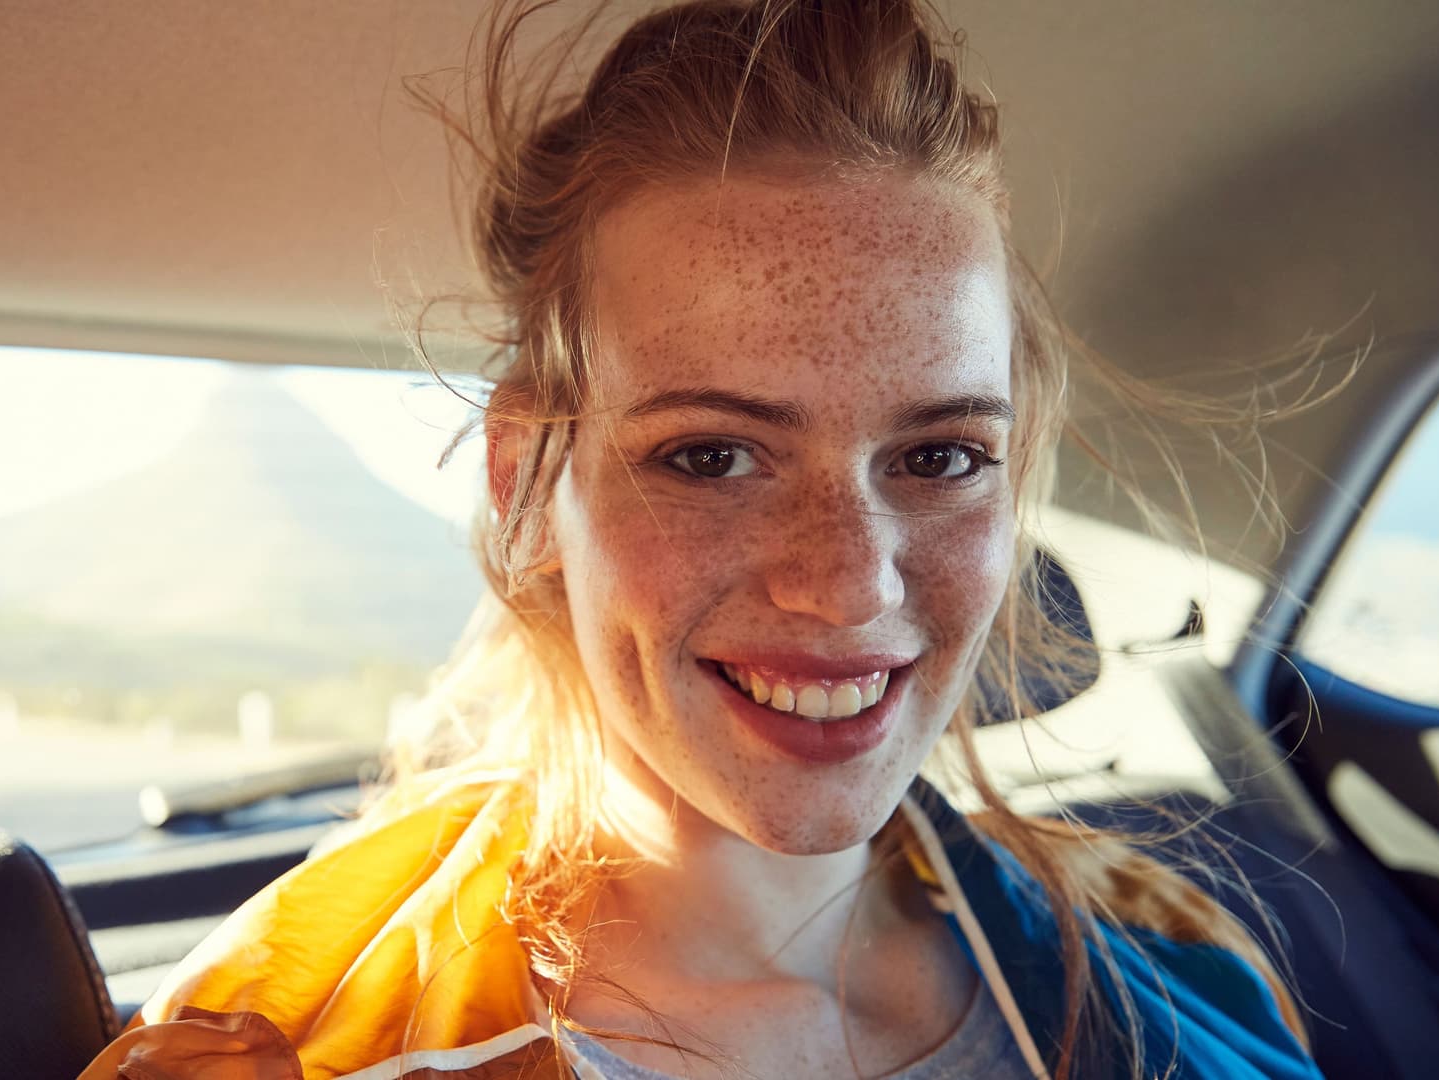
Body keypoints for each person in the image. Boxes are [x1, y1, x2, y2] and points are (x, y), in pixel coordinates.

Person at [77, 1, 1319, 1077]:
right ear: (525, 485)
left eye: (940, 458)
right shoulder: (287, 1041)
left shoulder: (1179, 960)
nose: (845, 585)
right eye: (709, 457)